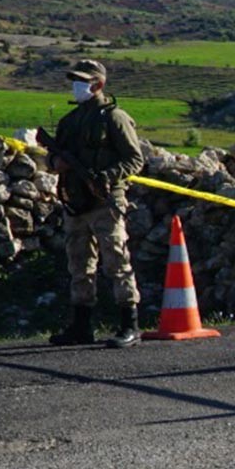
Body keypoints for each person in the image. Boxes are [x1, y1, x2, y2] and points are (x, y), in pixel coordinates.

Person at [39, 59, 144, 348]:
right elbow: (53, 157)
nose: (77, 86)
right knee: (79, 264)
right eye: (75, 80)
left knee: (116, 261)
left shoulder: (114, 118)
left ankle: (129, 325)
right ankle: (81, 326)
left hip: (105, 201)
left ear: (98, 84)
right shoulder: (69, 121)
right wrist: (54, 162)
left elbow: (134, 159)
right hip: (75, 202)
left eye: (83, 81)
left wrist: (106, 177)